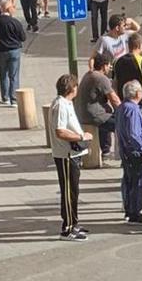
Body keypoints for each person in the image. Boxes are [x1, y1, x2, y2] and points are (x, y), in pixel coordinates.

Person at [112, 33, 142, 181]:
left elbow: (114, 84)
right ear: (140, 46)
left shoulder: (118, 62)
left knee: (128, 135)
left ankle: (127, 162)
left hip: (125, 104)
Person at [48, 74, 92, 242]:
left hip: (73, 154)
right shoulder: (60, 105)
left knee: (74, 190)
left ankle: (73, 222)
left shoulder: (66, 103)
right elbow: (60, 131)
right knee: (68, 191)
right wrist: (81, 137)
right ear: (72, 88)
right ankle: (67, 228)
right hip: (66, 154)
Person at [115, 79, 142, 224]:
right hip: (135, 152)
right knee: (138, 181)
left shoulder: (122, 107)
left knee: (129, 180)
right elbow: (133, 134)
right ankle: (135, 211)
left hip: (126, 151)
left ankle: (130, 210)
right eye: (141, 91)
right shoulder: (132, 109)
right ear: (137, 93)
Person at [76, 54, 120, 157]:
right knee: (122, 124)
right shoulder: (101, 78)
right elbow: (114, 100)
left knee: (108, 116)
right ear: (104, 66)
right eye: (109, 65)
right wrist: (124, 112)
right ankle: (123, 155)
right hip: (93, 116)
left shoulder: (88, 74)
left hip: (84, 113)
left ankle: (105, 150)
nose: (110, 68)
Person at [0, 1, 25, 106]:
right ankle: (14, 99)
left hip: (0, 50)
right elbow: (23, 37)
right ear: (9, 9)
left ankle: (5, 97)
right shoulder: (15, 22)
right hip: (14, 50)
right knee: (14, 75)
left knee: (3, 73)